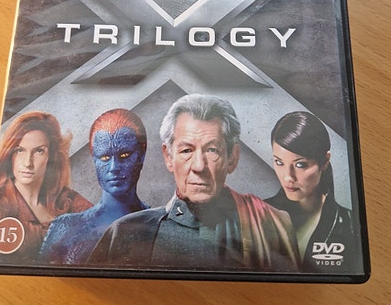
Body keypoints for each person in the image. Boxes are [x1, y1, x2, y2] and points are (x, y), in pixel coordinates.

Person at [89, 94, 299, 272]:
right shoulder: (125, 233)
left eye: (212, 150)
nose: (199, 166)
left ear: (232, 158)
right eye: (186, 150)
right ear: (168, 157)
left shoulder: (271, 225)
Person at [40, 108, 148, 265]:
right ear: (94, 158)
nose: (114, 167)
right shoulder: (64, 228)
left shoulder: (161, 226)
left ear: (141, 154)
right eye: (104, 157)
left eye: (124, 155)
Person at [0, 111, 92, 264]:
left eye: (39, 151)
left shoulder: (67, 200)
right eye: (20, 150)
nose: (28, 163)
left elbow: (104, 226)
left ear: (51, 156)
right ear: (10, 154)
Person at [266, 111, 355, 272]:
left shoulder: (350, 225)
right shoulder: (255, 214)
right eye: (279, 162)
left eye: (300, 164)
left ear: (325, 161)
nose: (288, 177)